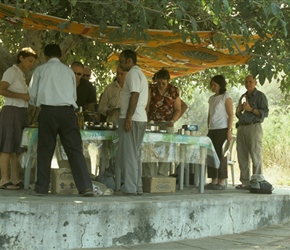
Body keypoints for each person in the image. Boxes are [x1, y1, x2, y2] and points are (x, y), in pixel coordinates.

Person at [28, 44, 94, 196]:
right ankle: (85, 186)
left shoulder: (40, 70)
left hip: (48, 111)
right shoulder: (68, 71)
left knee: (45, 150)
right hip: (67, 112)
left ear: (45, 56)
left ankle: (42, 188)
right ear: (61, 56)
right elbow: (73, 96)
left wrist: (39, 102)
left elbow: (32, 95)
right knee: (74, 150)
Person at [0, 47, 37, 190]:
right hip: (11, 110)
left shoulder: (21, 74)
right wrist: (21, 96)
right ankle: (4, 179)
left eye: (33, 62)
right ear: (21, 58)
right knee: (7, 146)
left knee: (17, 146)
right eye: (29, 61)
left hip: (21, 111)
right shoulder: (11, 71)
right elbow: (1, 89)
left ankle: (15, 178)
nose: (31, 64)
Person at [116, 49, 148, 195]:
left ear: (129, 61)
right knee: (135, 155)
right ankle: (137, 186)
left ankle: (129, 187)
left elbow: (135, 94)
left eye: (121, 61)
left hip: (133, 118)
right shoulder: (140, 74)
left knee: (128, 155)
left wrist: (128, 117)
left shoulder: (133, 74)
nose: (120, 64)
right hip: (140, 117)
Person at [145, 68, 182, 176]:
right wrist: (146, 121)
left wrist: (173, 120)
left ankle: (162, 173)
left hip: (167, 124)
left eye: (163, 83)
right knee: (150, 148)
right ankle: (149, 175)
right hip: (152, 123)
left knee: (166, 148)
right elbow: (146, 106)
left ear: (168, 81)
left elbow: (178, 109)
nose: (160, 85)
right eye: (158, 83)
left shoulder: (173, 91)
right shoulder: (151, 89)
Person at [235, 75, 269, 189]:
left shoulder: (260, 96)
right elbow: (239, 114)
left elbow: (265, 113)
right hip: (242, 127)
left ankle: (257, 181)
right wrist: (239, 110)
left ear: (255, 82)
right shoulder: (243, 96)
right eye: (246, 82)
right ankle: (245, 182)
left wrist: (251, 110)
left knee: (255, 155)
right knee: (242, 156)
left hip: (254, 127)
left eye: (250, 82)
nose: (248, 84)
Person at [205, 75, 233, 190]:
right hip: (212, 129)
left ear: (221, 85)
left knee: (221, 154)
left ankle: (221, 181)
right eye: (211, 84)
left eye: (215, 85)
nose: (213, 87)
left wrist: (229, 130)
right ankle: (213, 179)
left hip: (222, 129)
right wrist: (208, 126)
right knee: (211, 154)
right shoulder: (211, 98)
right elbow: (210, 114)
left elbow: (231, 114)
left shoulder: (226, 97)